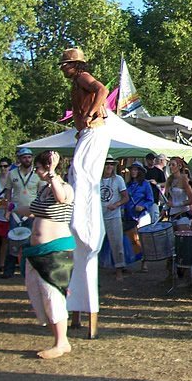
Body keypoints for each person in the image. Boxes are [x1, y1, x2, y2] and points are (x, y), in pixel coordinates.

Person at [59, 47, 110, 341]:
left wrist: (90, 113)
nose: (63, 69)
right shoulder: (77, 82)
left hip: (95, 128)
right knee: (79, 172)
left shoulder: (83, 78)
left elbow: (101, 90)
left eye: (65, 65)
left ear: (74, 65)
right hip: (89, 131)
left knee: (79, 171)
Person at [14, 151, 75, 358]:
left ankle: (61, 342)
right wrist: (11, 207)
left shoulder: (65, 187)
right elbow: (33, 210)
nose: (37, 172)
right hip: (38, 251)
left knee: (52, 295)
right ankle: (59, 340)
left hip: (56, 251)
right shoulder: (44, 190)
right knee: (39, 295)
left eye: (38, 168)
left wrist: (51, 173)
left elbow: (61, 198)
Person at [2, 147, 42, 278]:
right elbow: (8, 192)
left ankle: (30, 270)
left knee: (32, 240)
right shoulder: (12, 173)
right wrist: (7, 210)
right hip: (16, 211)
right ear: (19, 159)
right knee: (13, 240)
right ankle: (9, 270)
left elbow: (41, 193)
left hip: (32, 211)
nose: (27, 159)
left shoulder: (37, 174)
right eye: (24, 157)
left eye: (29, 157)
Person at [100, 157, 129, 280]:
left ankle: (119, 270)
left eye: (111, 164)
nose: (109, 167)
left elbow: (125, 197)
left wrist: (116, 205)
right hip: (98, 216)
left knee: (117, 243)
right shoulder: (96, 179)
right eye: (107, 164)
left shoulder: (118, 179)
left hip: (114, 215)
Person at [123, 161, 154, 270]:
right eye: (132, 169)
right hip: (130, 216)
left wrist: (143, 206)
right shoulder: (128, 185)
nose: (133, 171)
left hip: (142, 215)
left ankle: (144, 263)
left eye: (136, 169)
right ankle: (129, 261)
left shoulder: (145, 184)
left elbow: (151, 199)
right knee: (130, 240)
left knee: (143, 240)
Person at [165, 157, 192, 229]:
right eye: (169, 165)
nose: (170, 167)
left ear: (179, 166)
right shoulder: (170, 180)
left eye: (173, 165)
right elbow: (170, 197)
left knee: (182, 238)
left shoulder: (184, 179)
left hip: (183, 215)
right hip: (172, 215)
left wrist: (175, 204)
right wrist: (165, 208)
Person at [144, 153, 167, 224]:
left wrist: (157, 183)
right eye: (150, 159)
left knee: (155, 219)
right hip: (143, 199)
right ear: (147, 160)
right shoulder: (143, 171)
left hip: (154, 199)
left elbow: (165, 183)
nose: (152, 161)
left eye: (153, 159)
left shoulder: (159, 171)